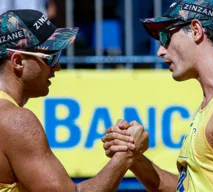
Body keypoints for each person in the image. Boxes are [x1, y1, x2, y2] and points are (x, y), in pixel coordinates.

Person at [0, 9, 149, 192]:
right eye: (51, 57)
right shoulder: (15, 121)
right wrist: (126, 155)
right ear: (17, 61)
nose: (57, 67)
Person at [102, 0, 213, 191]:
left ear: (196, 30)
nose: (160, 51)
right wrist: (133, 155)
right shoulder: (211, 104)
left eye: (166, 36)